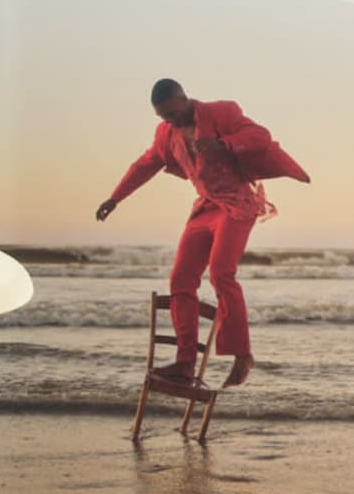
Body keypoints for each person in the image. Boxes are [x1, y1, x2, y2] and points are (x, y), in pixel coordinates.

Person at [97, 76, 310, 391]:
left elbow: (260, 137)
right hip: (205, 208)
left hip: (237, 203)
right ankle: (185, 362)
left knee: (222, 272)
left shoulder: (221, 112)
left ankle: (242, 354)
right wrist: (115, 198)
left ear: (184, 98)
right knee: (180, 280)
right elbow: (145, 165)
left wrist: (222, 143)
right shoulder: (165, 134)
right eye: (163, 117)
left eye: (172, 113)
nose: (170, 120)